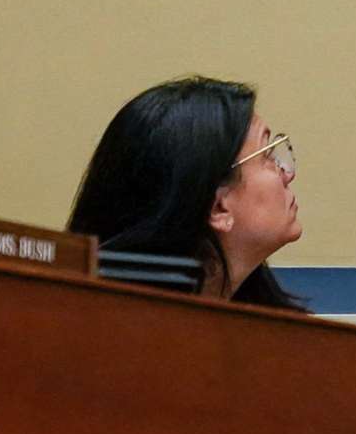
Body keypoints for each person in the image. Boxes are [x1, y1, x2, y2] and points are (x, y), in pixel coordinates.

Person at [67, 76, 305, 309]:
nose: (287, 173)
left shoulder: (273, 332)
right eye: (267, 156)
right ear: (219, 208)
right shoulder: (125, 335)